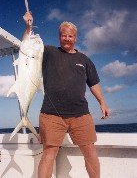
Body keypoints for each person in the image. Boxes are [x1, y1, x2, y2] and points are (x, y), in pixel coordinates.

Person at [23, 11, 109, 178]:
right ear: (59, 37)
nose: (67, 39)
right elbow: (27, 45)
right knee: (49, 154)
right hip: (51, 115)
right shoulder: (47, 53)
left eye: (70, 36)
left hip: (81, 115)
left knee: (90, 151)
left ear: (75, 38)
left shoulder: (84, 59)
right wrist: (28, 27)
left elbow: (94, 83)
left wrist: (102, 103)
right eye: (64, 36)